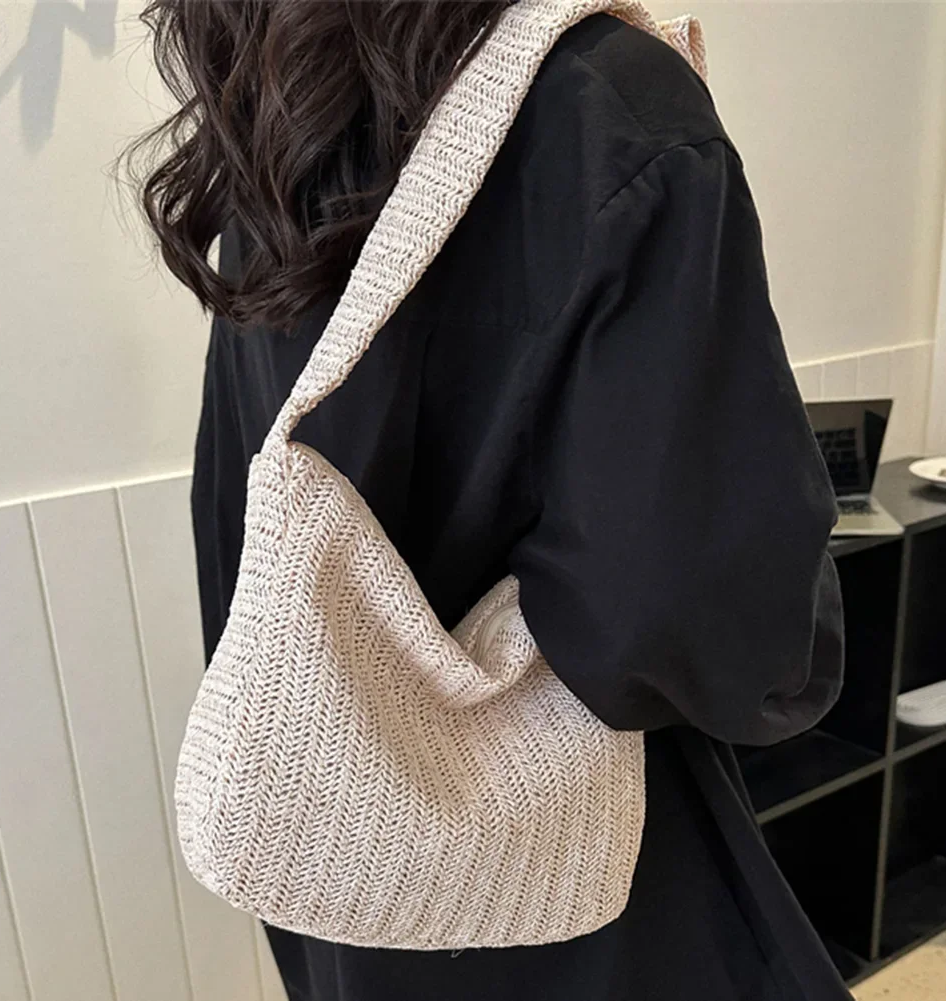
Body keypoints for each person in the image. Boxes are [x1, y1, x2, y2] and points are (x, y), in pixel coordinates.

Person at [131, 2, 848, 999]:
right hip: (587, 876)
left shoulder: (278, 106)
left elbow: (238, 524)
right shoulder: (606, 104)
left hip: (349, 862)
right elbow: (722, 633)